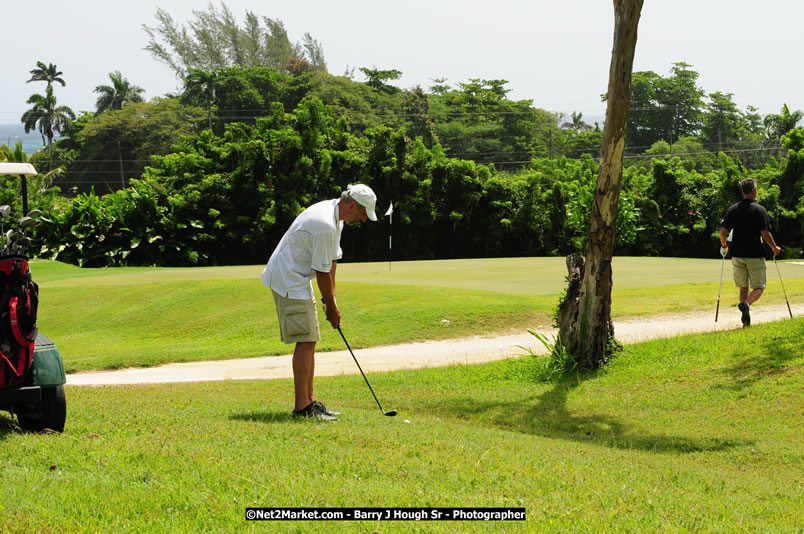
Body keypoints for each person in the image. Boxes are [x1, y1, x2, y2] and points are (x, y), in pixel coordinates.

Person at [261, 184, 378, 420]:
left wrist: (330, 301)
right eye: (364, 214)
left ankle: (310, 401)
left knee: (310, 339)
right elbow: (322, 273)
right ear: (353, 206)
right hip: (288, 278)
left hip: (298, 277)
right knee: (305, 340)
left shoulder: (336, 219)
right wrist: (332, 309)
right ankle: (302, 408)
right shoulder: (325, 224)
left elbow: (332, 261)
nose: (364, 220)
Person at [720, 177, 781, 327]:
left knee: (743, 286)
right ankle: (746, 304)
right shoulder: (760, 210)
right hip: (754, 253)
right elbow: (765, 233)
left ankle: (745, 322)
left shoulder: (733, 209)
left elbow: (723, 232)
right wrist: (774, 247)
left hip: (736, 254)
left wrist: (724, 246)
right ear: (754, 190)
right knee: (759, 286)